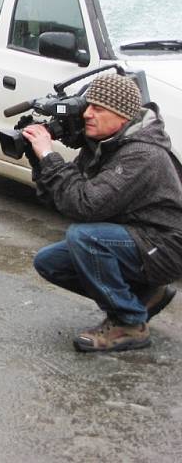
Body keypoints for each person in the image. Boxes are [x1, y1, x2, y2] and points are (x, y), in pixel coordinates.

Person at [22, 73, 182, 352]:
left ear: (121, 116)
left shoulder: (142, 153)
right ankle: (144, 295)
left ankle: (129, 323)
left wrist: (50, 156)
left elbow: (86, 206)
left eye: (97, 108)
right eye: (87, 107)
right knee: (50, 262)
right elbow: (65, 199)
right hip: (139, 239)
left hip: (166, 246)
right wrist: (40, 162)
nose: (87, 115)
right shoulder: (106, 145)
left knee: (85, 237)